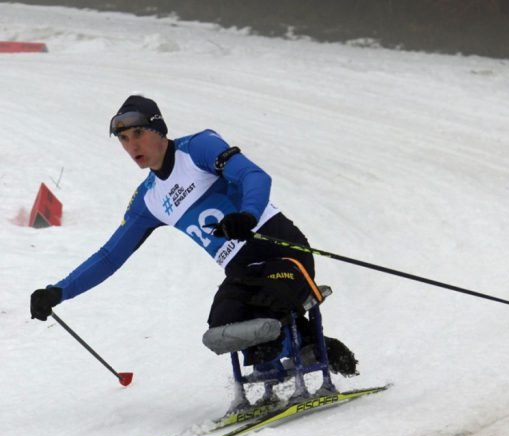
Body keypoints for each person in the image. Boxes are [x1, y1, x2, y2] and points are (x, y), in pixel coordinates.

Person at [30, 95, 357, 375]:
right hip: (242, 271)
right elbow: (110, 255)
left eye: (139, 133)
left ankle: (302, 344)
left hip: (280, 251)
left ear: (159, 130)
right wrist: (58, 292)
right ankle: (306, 345)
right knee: (223, 329)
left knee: (265, 328)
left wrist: (247, 215)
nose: (132, 146)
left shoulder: (198, 147)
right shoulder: (149, 199)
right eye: (124, 139)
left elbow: (254, 175)